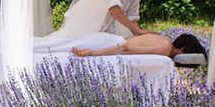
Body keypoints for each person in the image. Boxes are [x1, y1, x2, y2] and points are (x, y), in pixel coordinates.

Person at [72, 32, 206, 60]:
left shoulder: (164, 41)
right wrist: (93, 53)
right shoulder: (164, 49)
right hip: (107, 45)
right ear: (182, 50)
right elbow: (125, 49)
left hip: (107, 41)